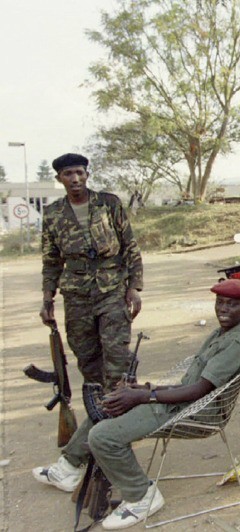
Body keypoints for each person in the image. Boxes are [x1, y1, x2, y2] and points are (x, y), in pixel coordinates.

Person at [35, 279, 240, 530]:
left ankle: (142, 496)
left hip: (193, 413)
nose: (223, 309)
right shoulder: (222, 333)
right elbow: (191, 384)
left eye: (232, 304)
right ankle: (69, 466)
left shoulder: (237, 342)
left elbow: (199, 390)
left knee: (102, 436)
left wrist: (144, 397)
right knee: (109, 405)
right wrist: (145, 389)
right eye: (220, 302)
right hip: (181, 404)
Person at [33, 153, 144, 491]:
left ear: (87, 174)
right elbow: (51, 260)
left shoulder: (109, 204)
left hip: (112, 292)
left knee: (116, 368)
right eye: (69, 174)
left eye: (80, 172)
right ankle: (105, 436)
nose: (76, 179)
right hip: (77, 297)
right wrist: (47, 298)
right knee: (90, 369)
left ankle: (84, 454)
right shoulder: (52, 214)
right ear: (60, 179)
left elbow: (130, 247)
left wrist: (134, 288)